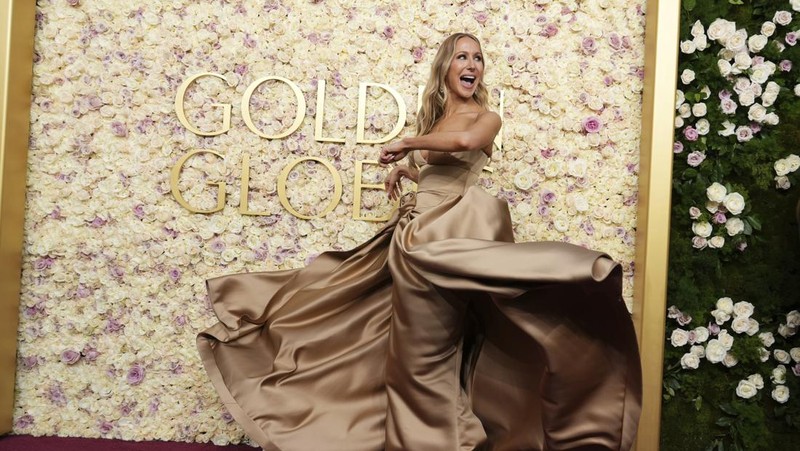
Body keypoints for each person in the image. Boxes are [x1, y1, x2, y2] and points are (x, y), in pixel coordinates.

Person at [197, 33, 641, 451]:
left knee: (424, 356)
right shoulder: (437, 120)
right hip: (415, 236)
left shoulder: (486, 117)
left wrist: (410, 143)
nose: (472, 65)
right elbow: (441, 163)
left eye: (478, 57)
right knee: (371, 333)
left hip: (449, 241)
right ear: (445, 67)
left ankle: (444, 441)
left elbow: (468, 142)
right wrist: (410, 170)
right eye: (463, 56)